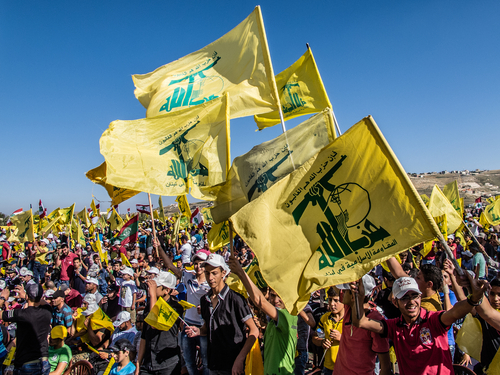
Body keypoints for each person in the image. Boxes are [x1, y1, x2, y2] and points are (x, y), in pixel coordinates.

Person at [351, 271, 489, 375]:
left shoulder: (433, 320)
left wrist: (473, 299)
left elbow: (455, 312)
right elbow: (360, 322)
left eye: (414, 296)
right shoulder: (393, 326)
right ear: (395, 303)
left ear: (420, 297)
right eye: (405, 297)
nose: (411, 302)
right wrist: (359, 296)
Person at [228, 254, 312, 375]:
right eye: (273, 296)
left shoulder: (289, 316)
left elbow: (259, 301)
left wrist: (241, 272)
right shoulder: (274, 320)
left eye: (280, 296)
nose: (276, 300)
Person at [187, 254, 259, 375]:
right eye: (207, 273)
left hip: (233, 366)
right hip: (213, 364)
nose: (210, 277)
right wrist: (198, 331)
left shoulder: (236, 299)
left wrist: (240, 359)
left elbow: (254, 330)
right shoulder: (204, 300)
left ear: (223, 273)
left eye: (214, 273)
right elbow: (207, 327)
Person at [158, 242, 210, 375]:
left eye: (201, 263)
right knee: (188, 361)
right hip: (188, 323)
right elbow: (170, 266)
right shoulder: (188, 277)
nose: (198, 266)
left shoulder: (211, 284)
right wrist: (159, 246)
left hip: (204, 326)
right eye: (196, 263)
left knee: (206, 362)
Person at [333, 276, 391, 375]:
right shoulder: (349, 308)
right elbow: (332, 283)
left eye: (345, 291)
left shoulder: (375, 321)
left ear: (353, 296)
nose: (341, 293)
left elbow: (385, 367)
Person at [136, 271, 183, 375]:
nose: (151, 289)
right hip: (148, 362)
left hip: (167, 364)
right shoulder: (149, 306)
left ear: (166, 290)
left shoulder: (175, 307)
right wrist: (138, 363)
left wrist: (152, 296)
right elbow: (144, 336)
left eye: (156, 286)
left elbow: (154, 324)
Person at [1, 283, 52, 375]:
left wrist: (2, 299)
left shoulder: (21, 314)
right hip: (42, 362)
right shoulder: (47, 311)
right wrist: (28, 296)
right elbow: (44, 303)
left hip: (26, 364)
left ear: (27, 297)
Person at [312, 287, 344, 375]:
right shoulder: (325, 318)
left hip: (345, 367)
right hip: (328, 368)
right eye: (330, 300)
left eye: (336, 300)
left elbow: (358, 343)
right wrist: (322, 342)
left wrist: (341, 338)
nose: (332, 304)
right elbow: (316, 336)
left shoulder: (350, 320)